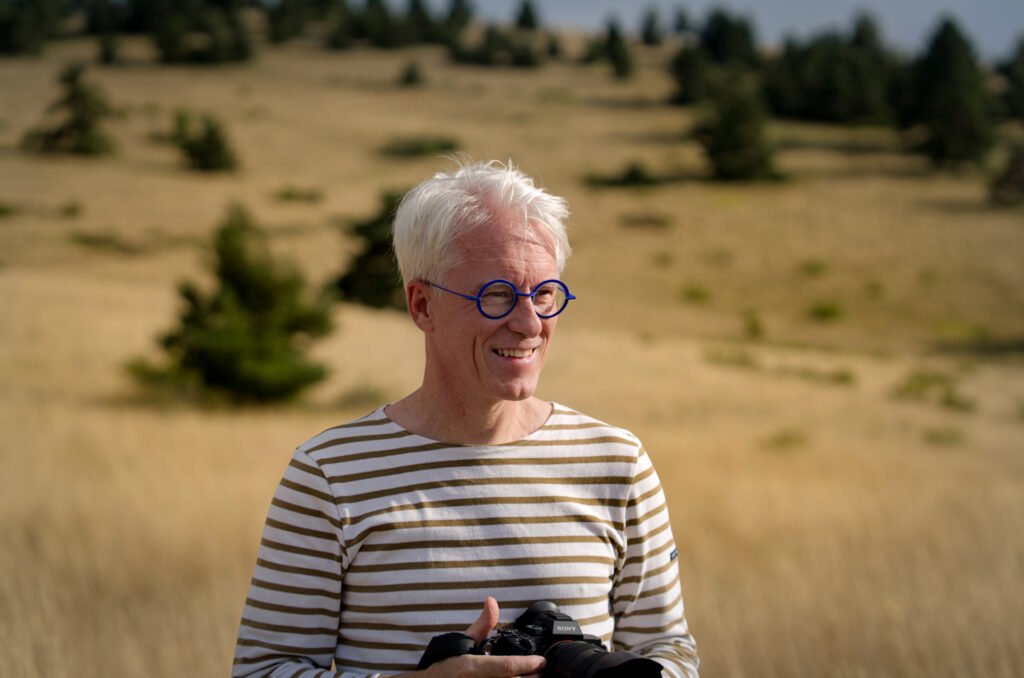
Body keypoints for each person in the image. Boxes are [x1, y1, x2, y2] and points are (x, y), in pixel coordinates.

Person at [232, 160, 699, 678]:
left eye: (544, 294)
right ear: (422, 305)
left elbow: (669, 649)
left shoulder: (617, 463)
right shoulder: (328, 474)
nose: (528, 324)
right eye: (496, 294)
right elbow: (262, 670)